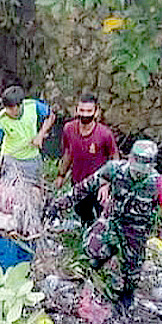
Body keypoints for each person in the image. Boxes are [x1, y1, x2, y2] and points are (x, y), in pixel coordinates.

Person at [48, 140, 162, 308]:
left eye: (144, 167)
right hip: (112, 220)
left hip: (136, 229)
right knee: (92, 249)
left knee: (132, 270)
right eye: (136, 166)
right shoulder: (114, 169)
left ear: (152, 165)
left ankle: (127, 294)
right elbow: (84, 187)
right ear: (130, 159)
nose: (139, 172)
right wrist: (58, 204)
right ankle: (104, 255)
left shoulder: (159, 185)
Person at [0, 85, 56, 185]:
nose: (8, 111)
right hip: (10, 159)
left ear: (20, 104)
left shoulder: (33, 106)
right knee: (8, 191)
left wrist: (40, 135)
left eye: (11, 108)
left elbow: (50, 116)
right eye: (6, 108)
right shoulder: (1, 119)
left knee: (31, 192)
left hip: (32, 159)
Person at [55, 94, 119, 227]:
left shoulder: (104, 134)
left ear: (96, 112)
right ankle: (85, 238)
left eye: (89, 111)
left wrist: (107, 183)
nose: (85, 114)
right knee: (83, 215)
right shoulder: (69, 129)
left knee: (103, 218)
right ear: (76, 110)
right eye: (82, 110)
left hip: (99, 184)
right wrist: (61, 175)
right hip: (78, 182)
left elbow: (114, 159)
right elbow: (68, 153)